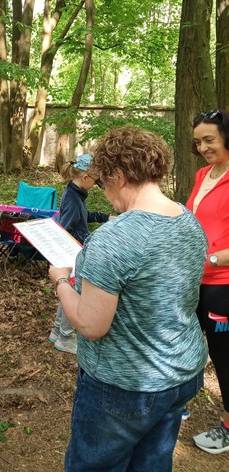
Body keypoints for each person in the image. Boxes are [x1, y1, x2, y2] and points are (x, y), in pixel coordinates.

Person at [49, 125, 208, 472]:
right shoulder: (189, 220)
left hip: (125, 387)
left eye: (104, 182)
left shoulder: (116, 237)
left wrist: (61, 281)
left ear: (118, 176)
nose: (105, 192)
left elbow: (91, 325)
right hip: (181, 373)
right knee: (152, 462)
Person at [187, 110, 229, 454]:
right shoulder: (203, 174)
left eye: (209, 139)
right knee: (190, 344)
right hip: (194, 279)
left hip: (223, 285)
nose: (202, 147)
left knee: (224, 354)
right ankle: (177, 402)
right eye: (198, 141)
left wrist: (213, 259)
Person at [49, 153, 112, 355]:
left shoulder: (75, 194)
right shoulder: (72, 198)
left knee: (70, 291)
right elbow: (65, 227)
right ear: (85, 177)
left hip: (76, 249)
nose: (95, 185)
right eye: (95, 181)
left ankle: (58, 331)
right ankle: (66, 336)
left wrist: (104, 217)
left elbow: (82, 217)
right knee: (75, 293)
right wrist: (85, 242)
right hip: (73, 253)